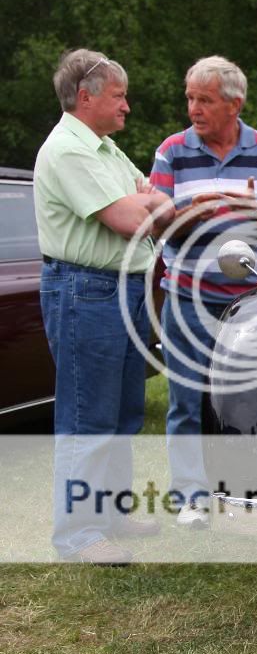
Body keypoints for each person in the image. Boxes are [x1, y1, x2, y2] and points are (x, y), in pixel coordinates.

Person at [34, 49, 174, 564]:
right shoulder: (69, 151)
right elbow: (127, 216)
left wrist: (148, 204)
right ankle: (78, 535)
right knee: (86, 416)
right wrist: (145, 204)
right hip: (86, 290)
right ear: (85, 96)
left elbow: (157, 204)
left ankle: (110, 514)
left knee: (124, 412)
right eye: (118, 96)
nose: (127, 106)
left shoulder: (106, 151)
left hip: (124, 289)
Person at [150, 55, 257, 527]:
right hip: (187, 295)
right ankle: (191, 497)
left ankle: (252, 490)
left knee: (255, 397)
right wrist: (197, 213)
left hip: (251, 300)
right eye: (190, 97)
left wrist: (244, 207)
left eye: (204, 99)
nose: (193, 107)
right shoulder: (171, 151)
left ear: (235, 104)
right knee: (186, 399)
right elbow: (157, 223)